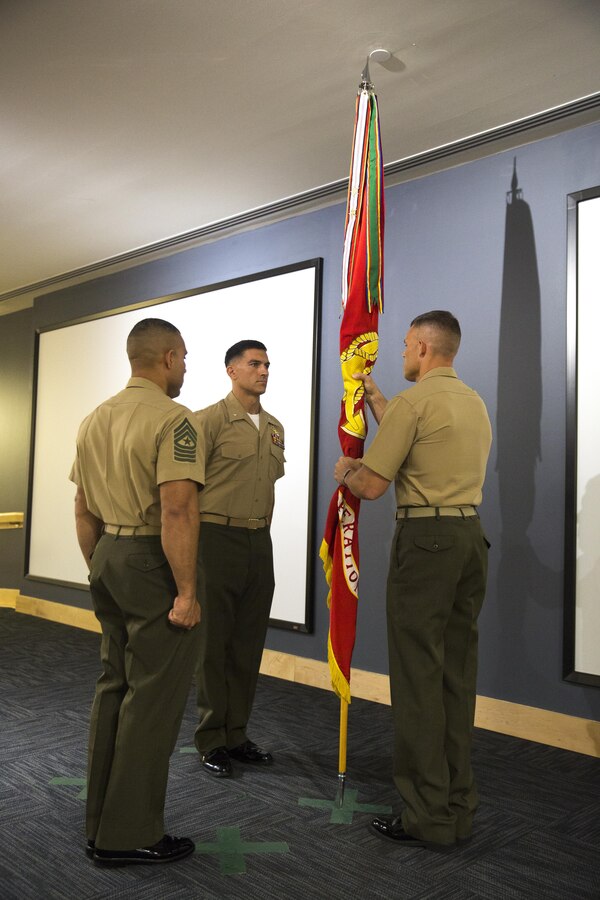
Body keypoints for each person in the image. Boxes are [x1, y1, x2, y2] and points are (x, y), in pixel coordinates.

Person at [334, 310, 492, 851]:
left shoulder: (413, 403)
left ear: (424, 348)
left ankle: (426, 816)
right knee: (454, 677)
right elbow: (416, 444)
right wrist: (376, 396)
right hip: (470, 541)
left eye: (405, 346)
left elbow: (375, 484)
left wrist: (346, 472)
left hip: (425, 548)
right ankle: (456, 804)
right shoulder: (471, 401)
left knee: (418, 682)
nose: (401, 353)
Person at [69, 317, 205, 866]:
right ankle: (129, 834)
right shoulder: (175, 419)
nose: (185, 368)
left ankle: (99, 819)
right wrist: (187, 592)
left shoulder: (93, 418)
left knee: (114, 687)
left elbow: (82, 509)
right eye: (185, 358)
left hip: (108, 556)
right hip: (153, 559)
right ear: (169, 357)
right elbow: (178, 508)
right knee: (152, 698)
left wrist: (101, 566)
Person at [193, 340, 285, 776]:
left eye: (266, 364)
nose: (263, 370)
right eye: (254, 363)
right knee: (214, 645)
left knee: (248, 644)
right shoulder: (205, 422)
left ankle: (237, 734)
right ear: (231, 370)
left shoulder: (274, 428)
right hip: (214, 538)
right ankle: (211, 738)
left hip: (257, 541)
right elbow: (185, 490)